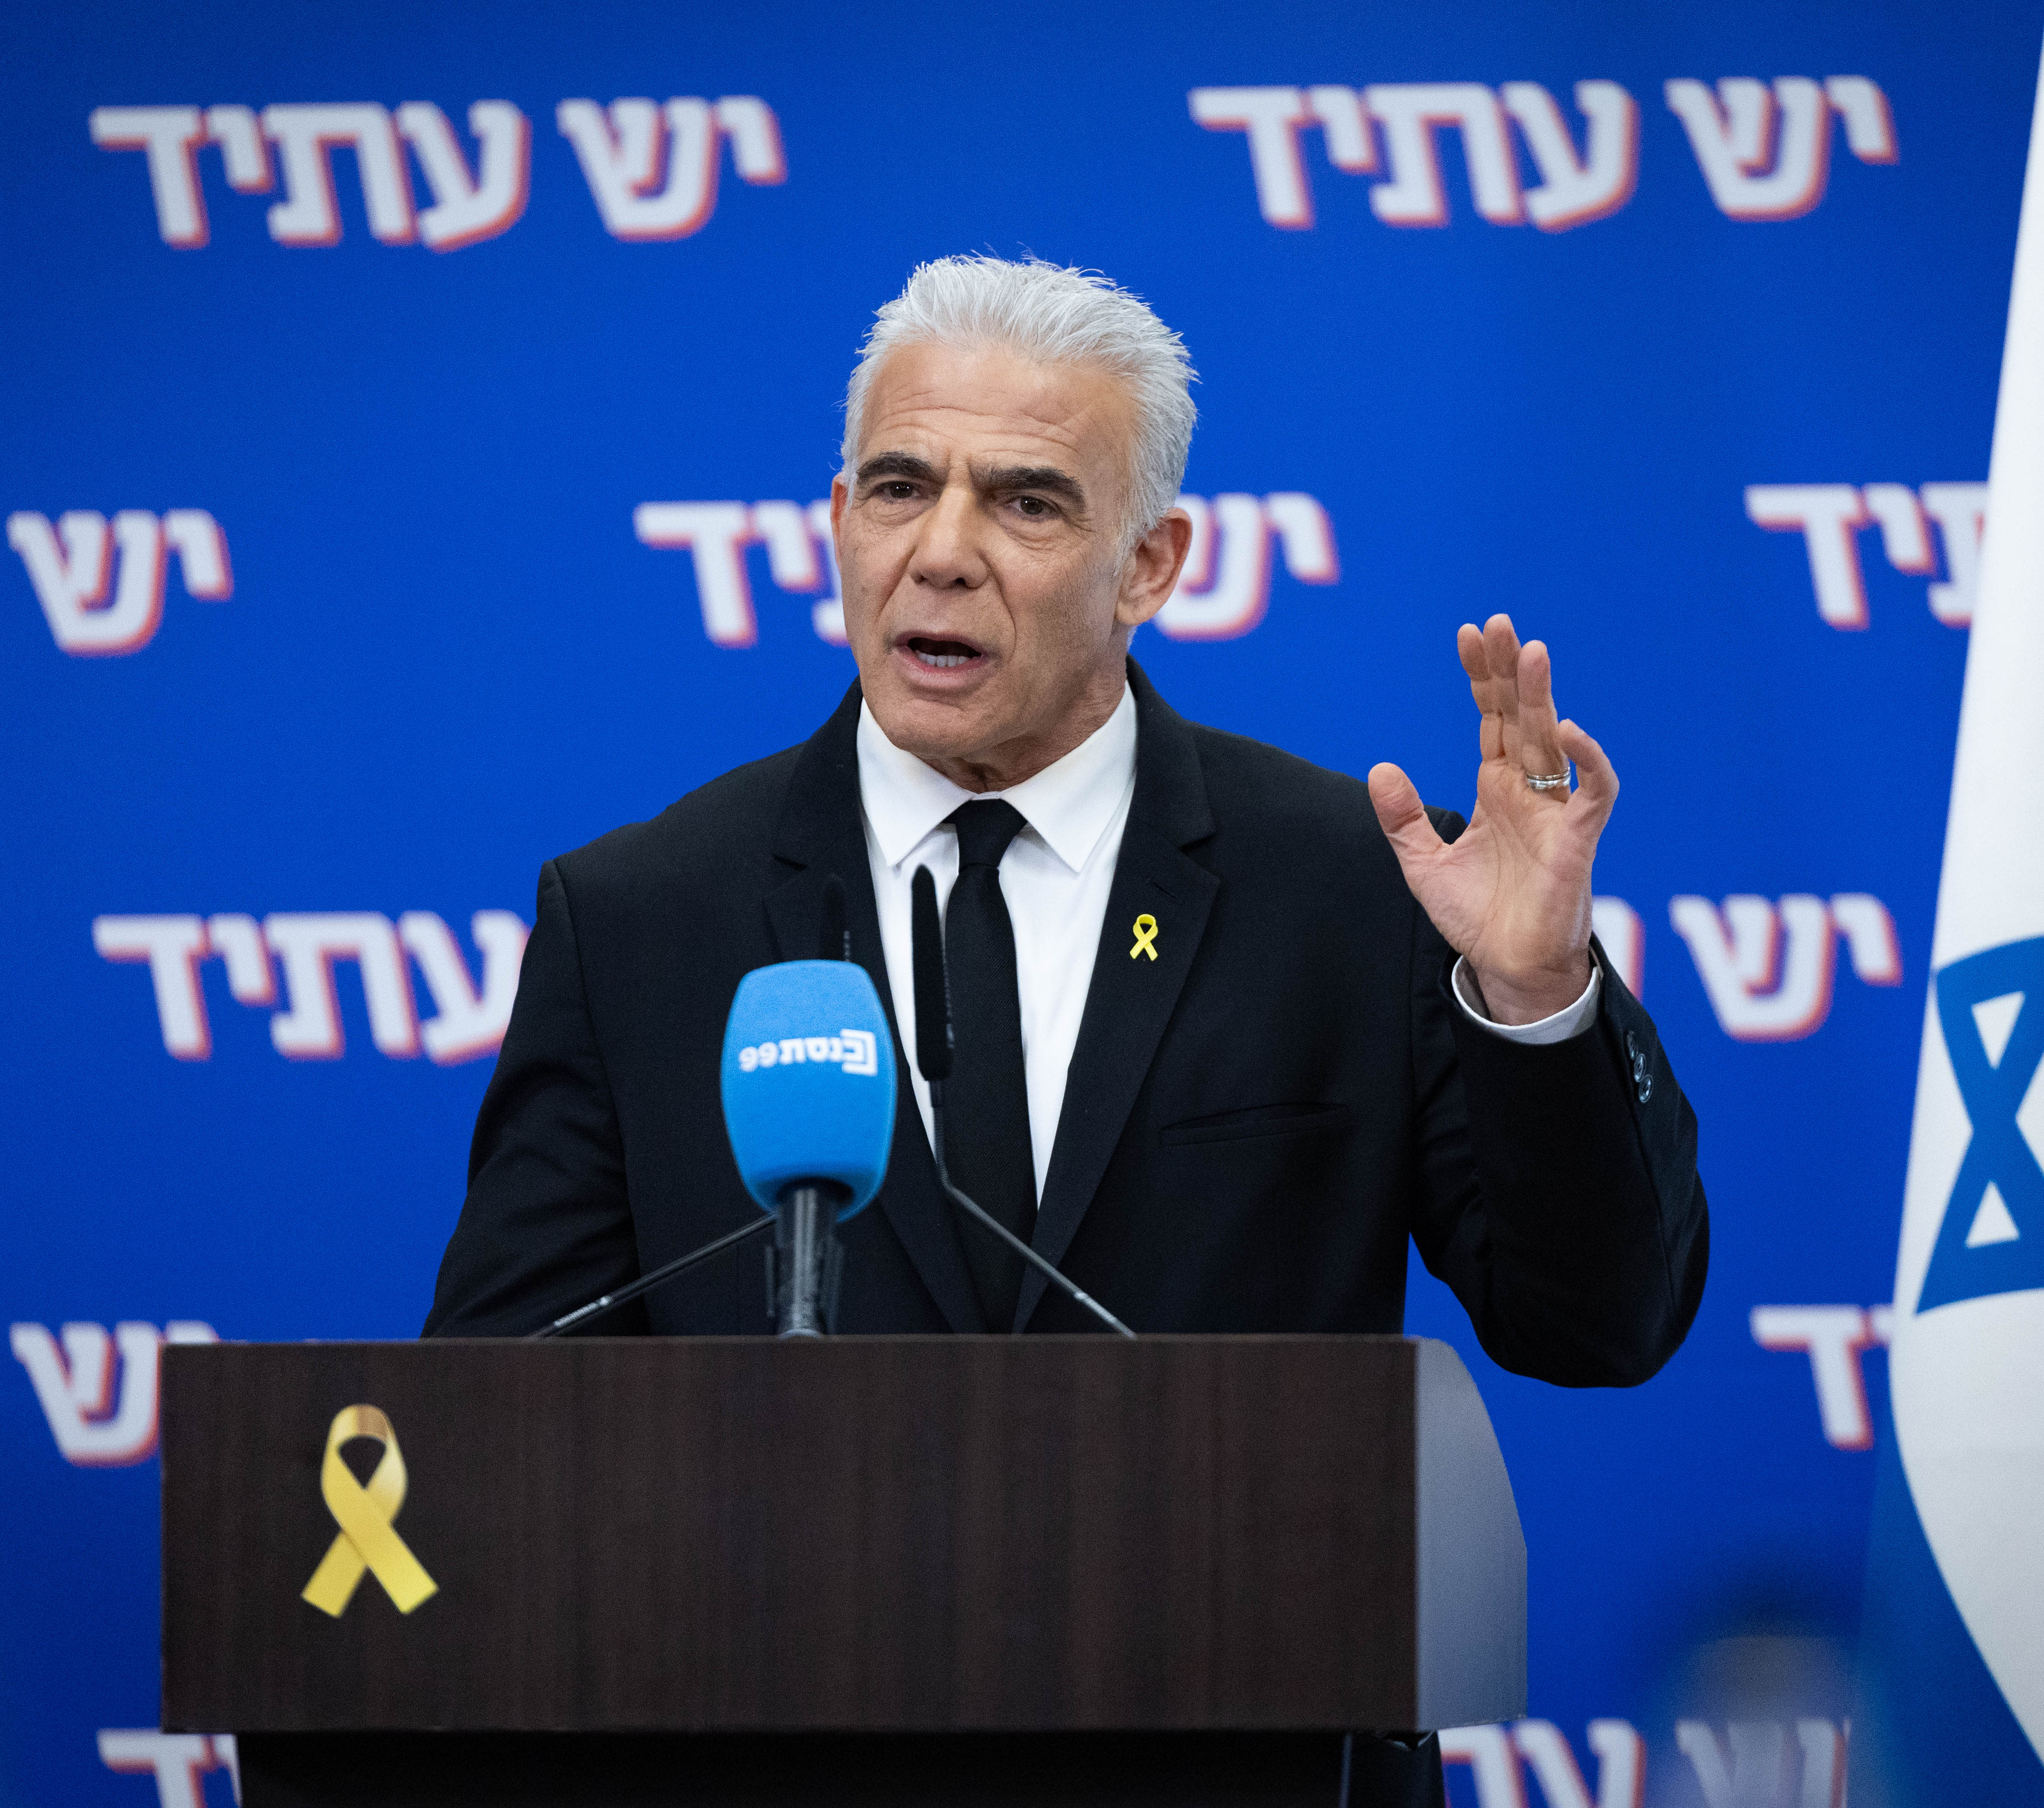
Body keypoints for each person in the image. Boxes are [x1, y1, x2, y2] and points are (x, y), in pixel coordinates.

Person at [425, 253, 1706, 1806]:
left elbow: (1598, 1326)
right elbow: (491, 1432)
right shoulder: (642, 917)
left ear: (1152, 561)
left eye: (1026, 504)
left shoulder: (1353, 886)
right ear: (838, 520)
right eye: (899, 488)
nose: (942, 553)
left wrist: (1532, 999)